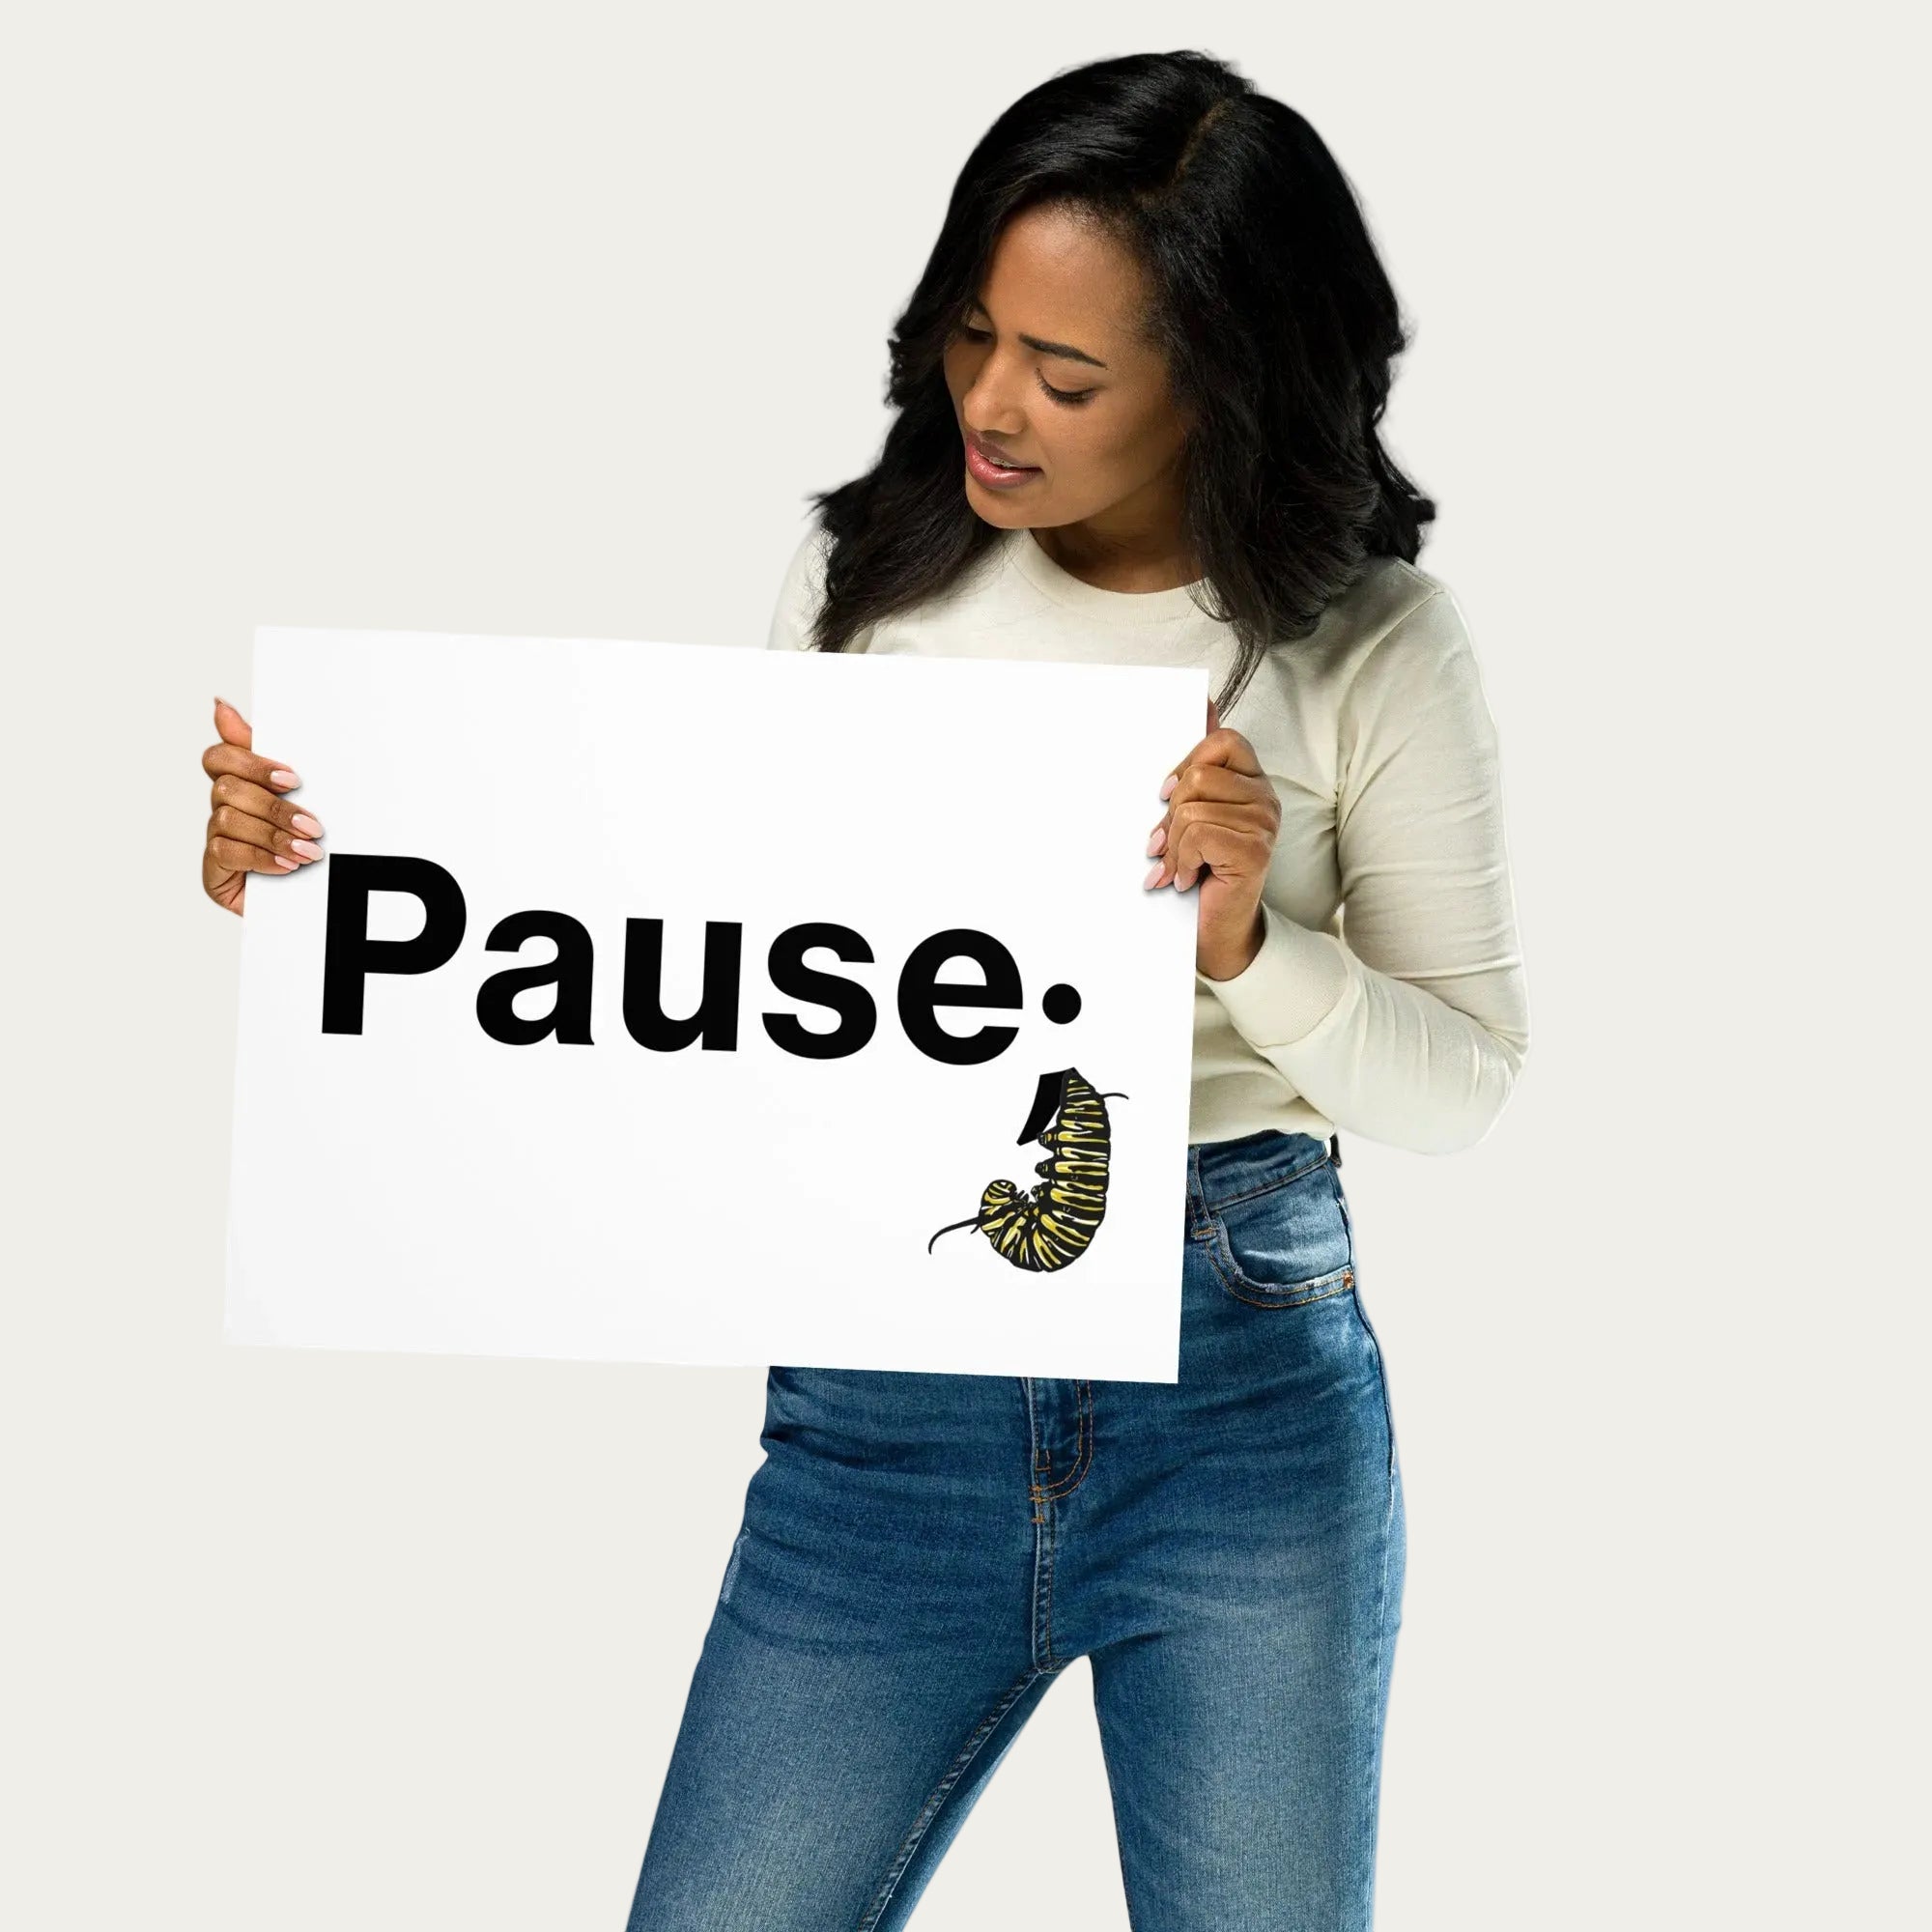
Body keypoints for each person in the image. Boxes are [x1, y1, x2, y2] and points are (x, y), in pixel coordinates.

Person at [201, 48, 1529, 1932]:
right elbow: (703, 967)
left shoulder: (1371, 640)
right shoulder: (864, 580)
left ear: (1223, 378)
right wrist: (334, 872)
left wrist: (1248, 942)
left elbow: (1466, 1082)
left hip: (1232, 1380)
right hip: (881, 1404)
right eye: (970, 335)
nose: (991, 402)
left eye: (1065, 374)